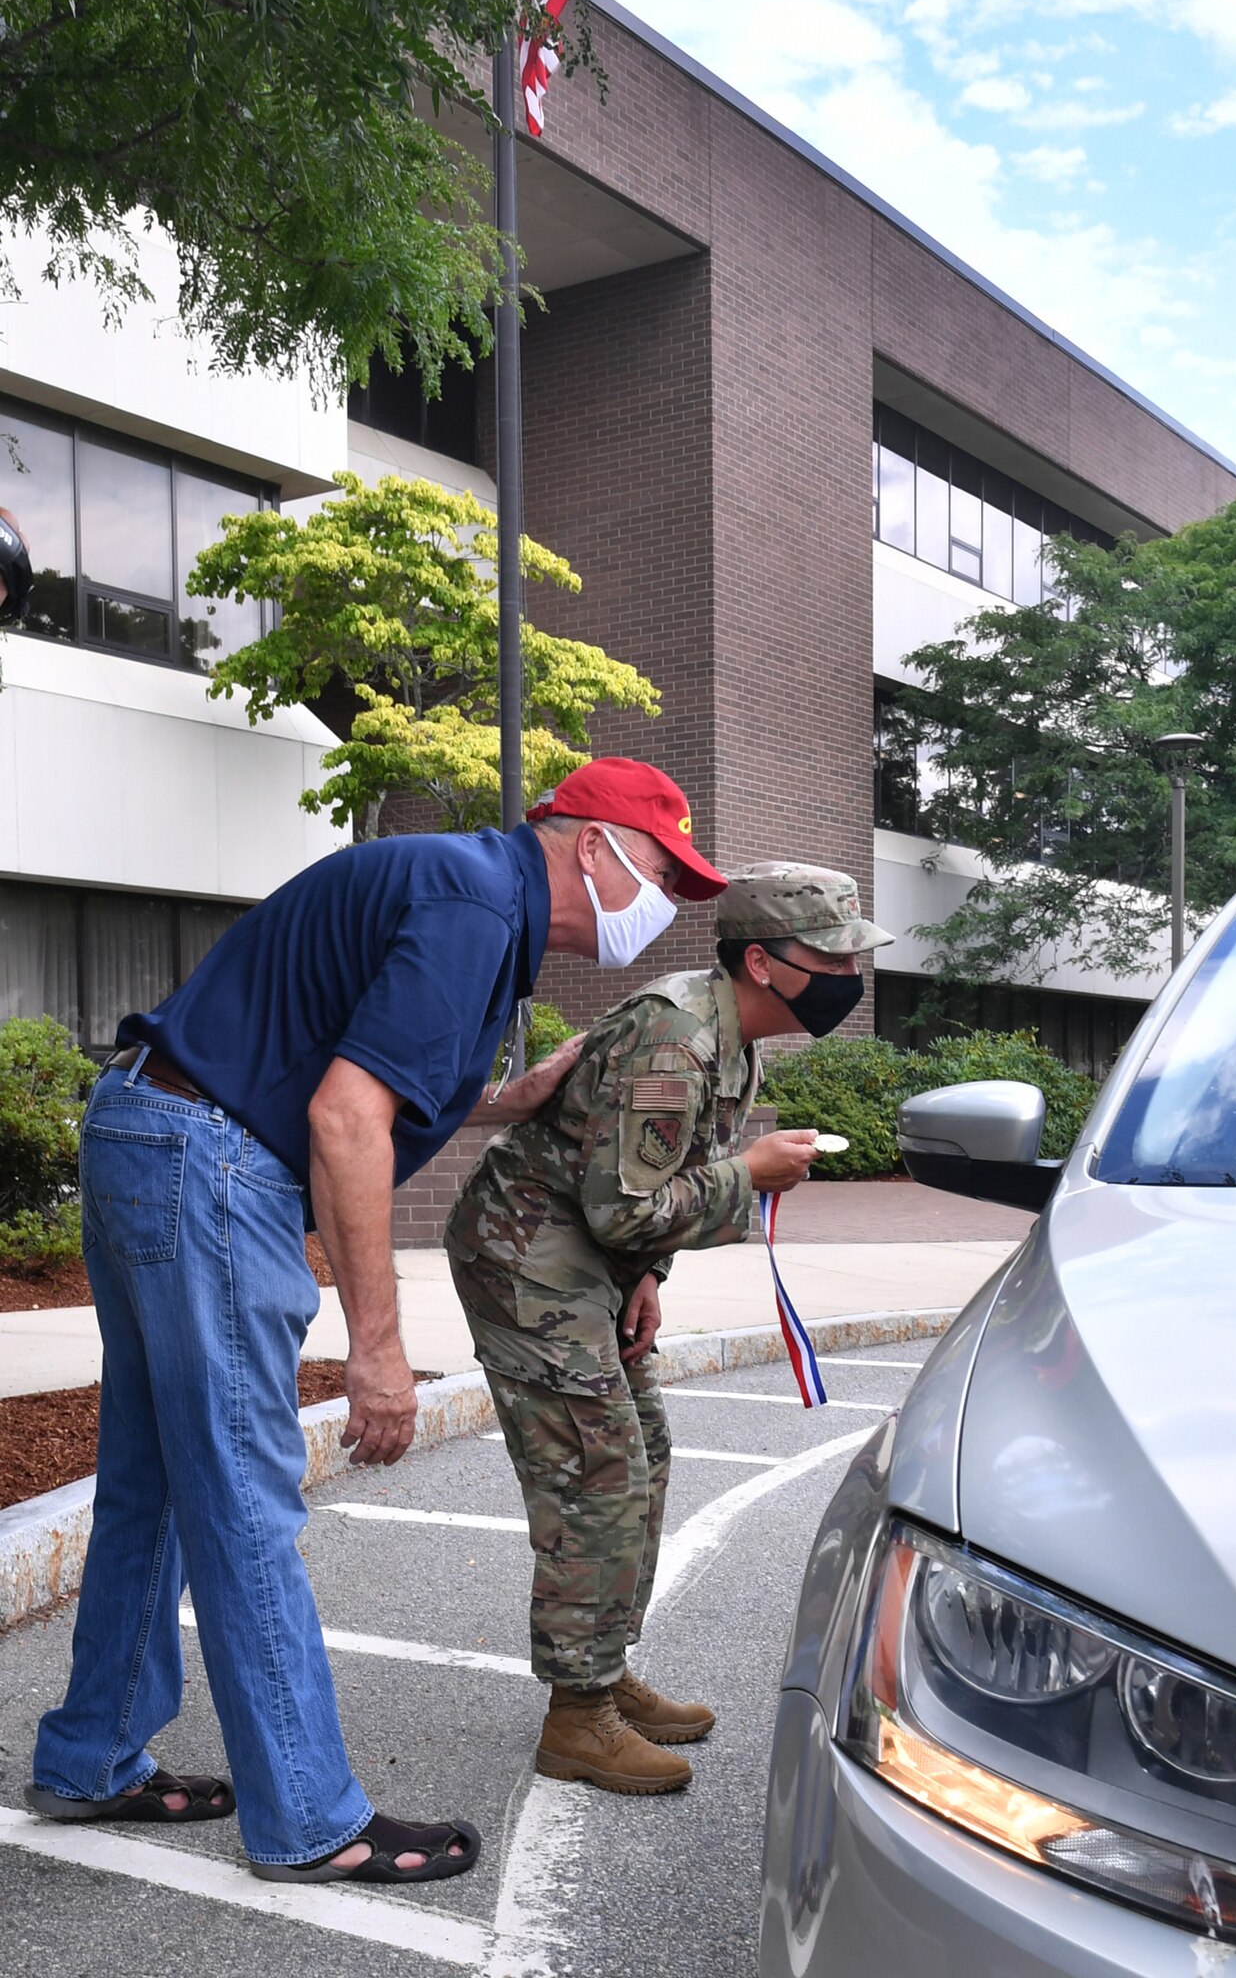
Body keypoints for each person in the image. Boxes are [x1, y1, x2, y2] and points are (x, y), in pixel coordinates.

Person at [26, 757, 726, 1885]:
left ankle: (92, 1753)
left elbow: (351, 1069)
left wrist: (501, 1097)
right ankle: (307, 1816)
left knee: (154, 1476)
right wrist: (380, 1352)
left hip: (153, 1129)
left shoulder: (467, 899)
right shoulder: (470, 905)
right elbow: (346, 1119)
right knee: (247, 1495)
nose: (661, 905)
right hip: (206, 1154)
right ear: (592, 844)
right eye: (660, 871)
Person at [445, 862, 893, 1794]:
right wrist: (750, 1176)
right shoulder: (676, 1038)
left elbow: (641, 1204)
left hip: (588, 1256)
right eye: (831, 954)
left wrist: (648, 1274)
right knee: (596, 1468)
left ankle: (601, 1675)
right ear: (765, 964)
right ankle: (577, 1718)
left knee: (640, 1445)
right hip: (527, 1255)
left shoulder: (733, 1036)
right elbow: (626, 1204)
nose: (850, 973)